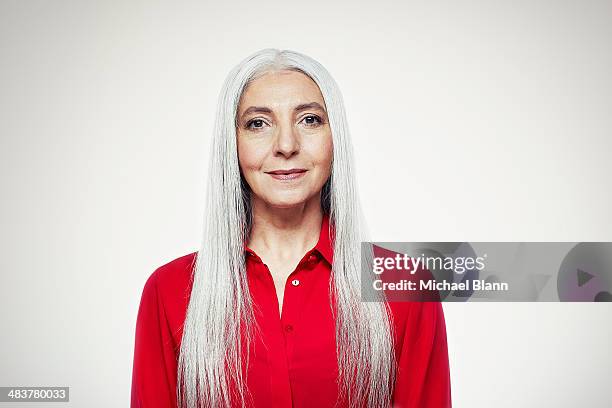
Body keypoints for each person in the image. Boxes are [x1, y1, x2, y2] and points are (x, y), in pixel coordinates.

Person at [130, 48, 451, 408]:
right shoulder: (169, 292)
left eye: (310, 120)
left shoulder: (404, 288)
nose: (286, 146)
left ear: (336, 139)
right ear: (232, 145)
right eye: (258, 123)